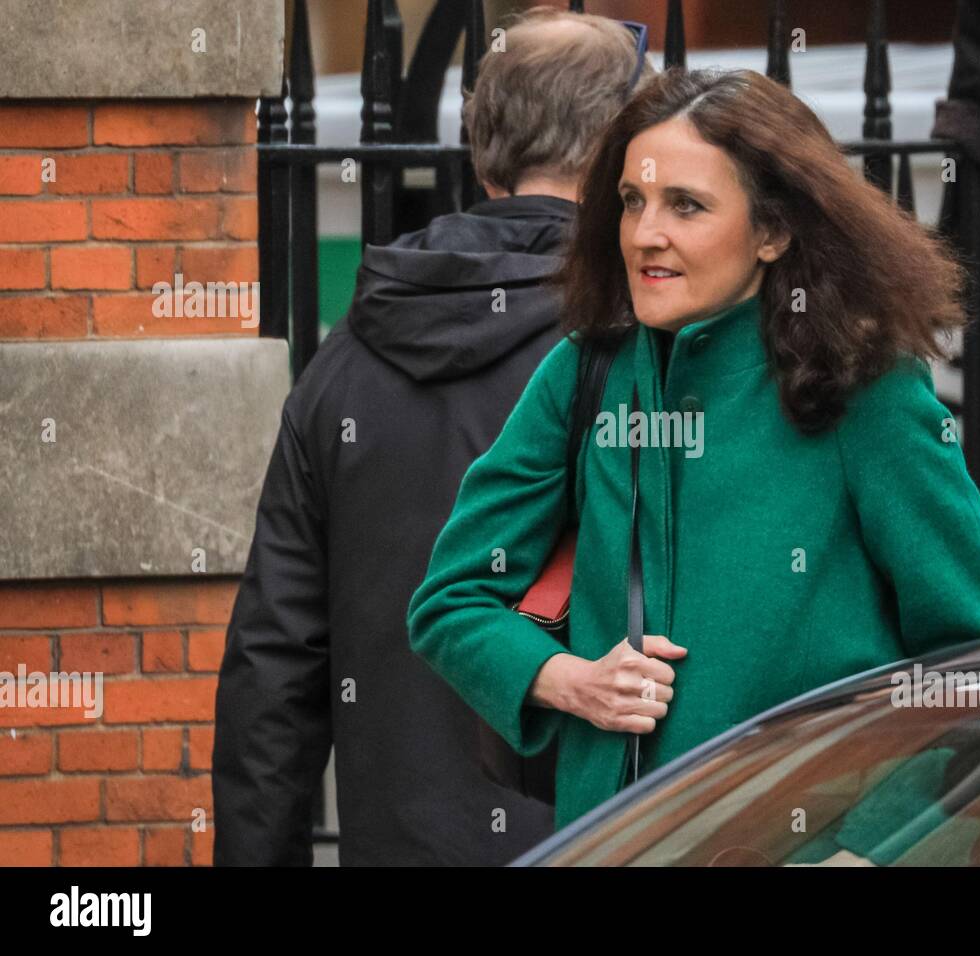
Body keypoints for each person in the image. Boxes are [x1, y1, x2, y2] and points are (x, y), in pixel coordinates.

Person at [407, 67, 980, 834]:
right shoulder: (584, 372)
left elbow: (979, 661)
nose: (645, 233)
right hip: (615, 844)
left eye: (686, 206)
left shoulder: (866, 390)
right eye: (633, 201)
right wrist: (567, 679)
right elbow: (450, 602)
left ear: (773, 232)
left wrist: (876, 848)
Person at [213, 8, 653, 866]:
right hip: (610, 839)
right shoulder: (655, 345)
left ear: (483, 145)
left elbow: (273, 673)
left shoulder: (344, 362)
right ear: (618, 151)